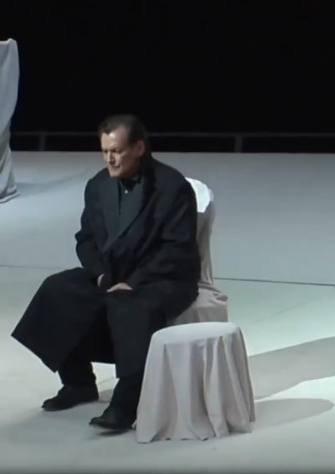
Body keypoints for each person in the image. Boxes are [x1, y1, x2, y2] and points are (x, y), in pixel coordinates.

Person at [12, 115, 200, 432]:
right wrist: (101, 275)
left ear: (138, 148)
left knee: (132, 307)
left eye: (117, 151)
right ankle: (78, 382)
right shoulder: (98, 185)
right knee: (59, 290)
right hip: (112, 274)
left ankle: (126, 404)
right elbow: (85, 239)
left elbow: (177, 249)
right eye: (105, 152)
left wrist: (133, 282)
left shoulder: (171, 187)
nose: (110, 159)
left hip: (162, 278)